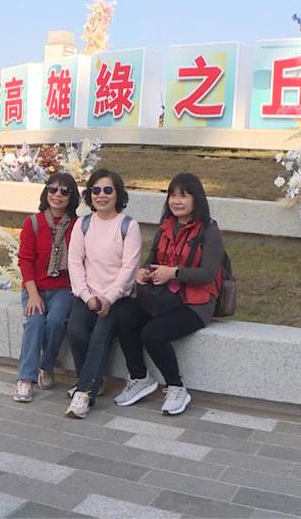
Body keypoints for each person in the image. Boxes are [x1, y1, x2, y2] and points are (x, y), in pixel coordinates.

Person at [112, 173, 225, 416]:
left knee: (152, 333)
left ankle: (176, 387)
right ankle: (140, 377)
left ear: (197, 199)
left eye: (184, 196)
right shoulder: (166, 227)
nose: (177, 201)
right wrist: (145, 272)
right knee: (122, 315)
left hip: (196, 304)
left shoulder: (210, 231)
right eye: (173, 195)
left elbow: (208, 273)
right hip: (162, 298)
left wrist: (173, 273)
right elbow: (153, 260)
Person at [64, 169, 141, 419]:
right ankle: (92, 380)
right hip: (88, 295)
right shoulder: (83, 224)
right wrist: (87, 296)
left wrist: (109, 298)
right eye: (96, 190)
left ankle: (84, 393)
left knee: (100, 335)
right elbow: (75, 262)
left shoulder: (129, 226)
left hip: (118, 299)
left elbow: (129, 268)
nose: (101, 195)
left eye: (108, 190)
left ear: (118, 194)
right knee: (76, 330)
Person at [13, 173, 79, 403]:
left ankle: (47, 365)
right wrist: (32, 294)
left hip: (63, 289)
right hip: (36, 288)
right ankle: (26, 379)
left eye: (64, 191)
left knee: (57, 321)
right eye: (52, 189)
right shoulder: (33, 223)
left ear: (72, 196)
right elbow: (25, 259)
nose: (57, 195)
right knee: (34, 321)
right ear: (46, 192)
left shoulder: (78, 226)